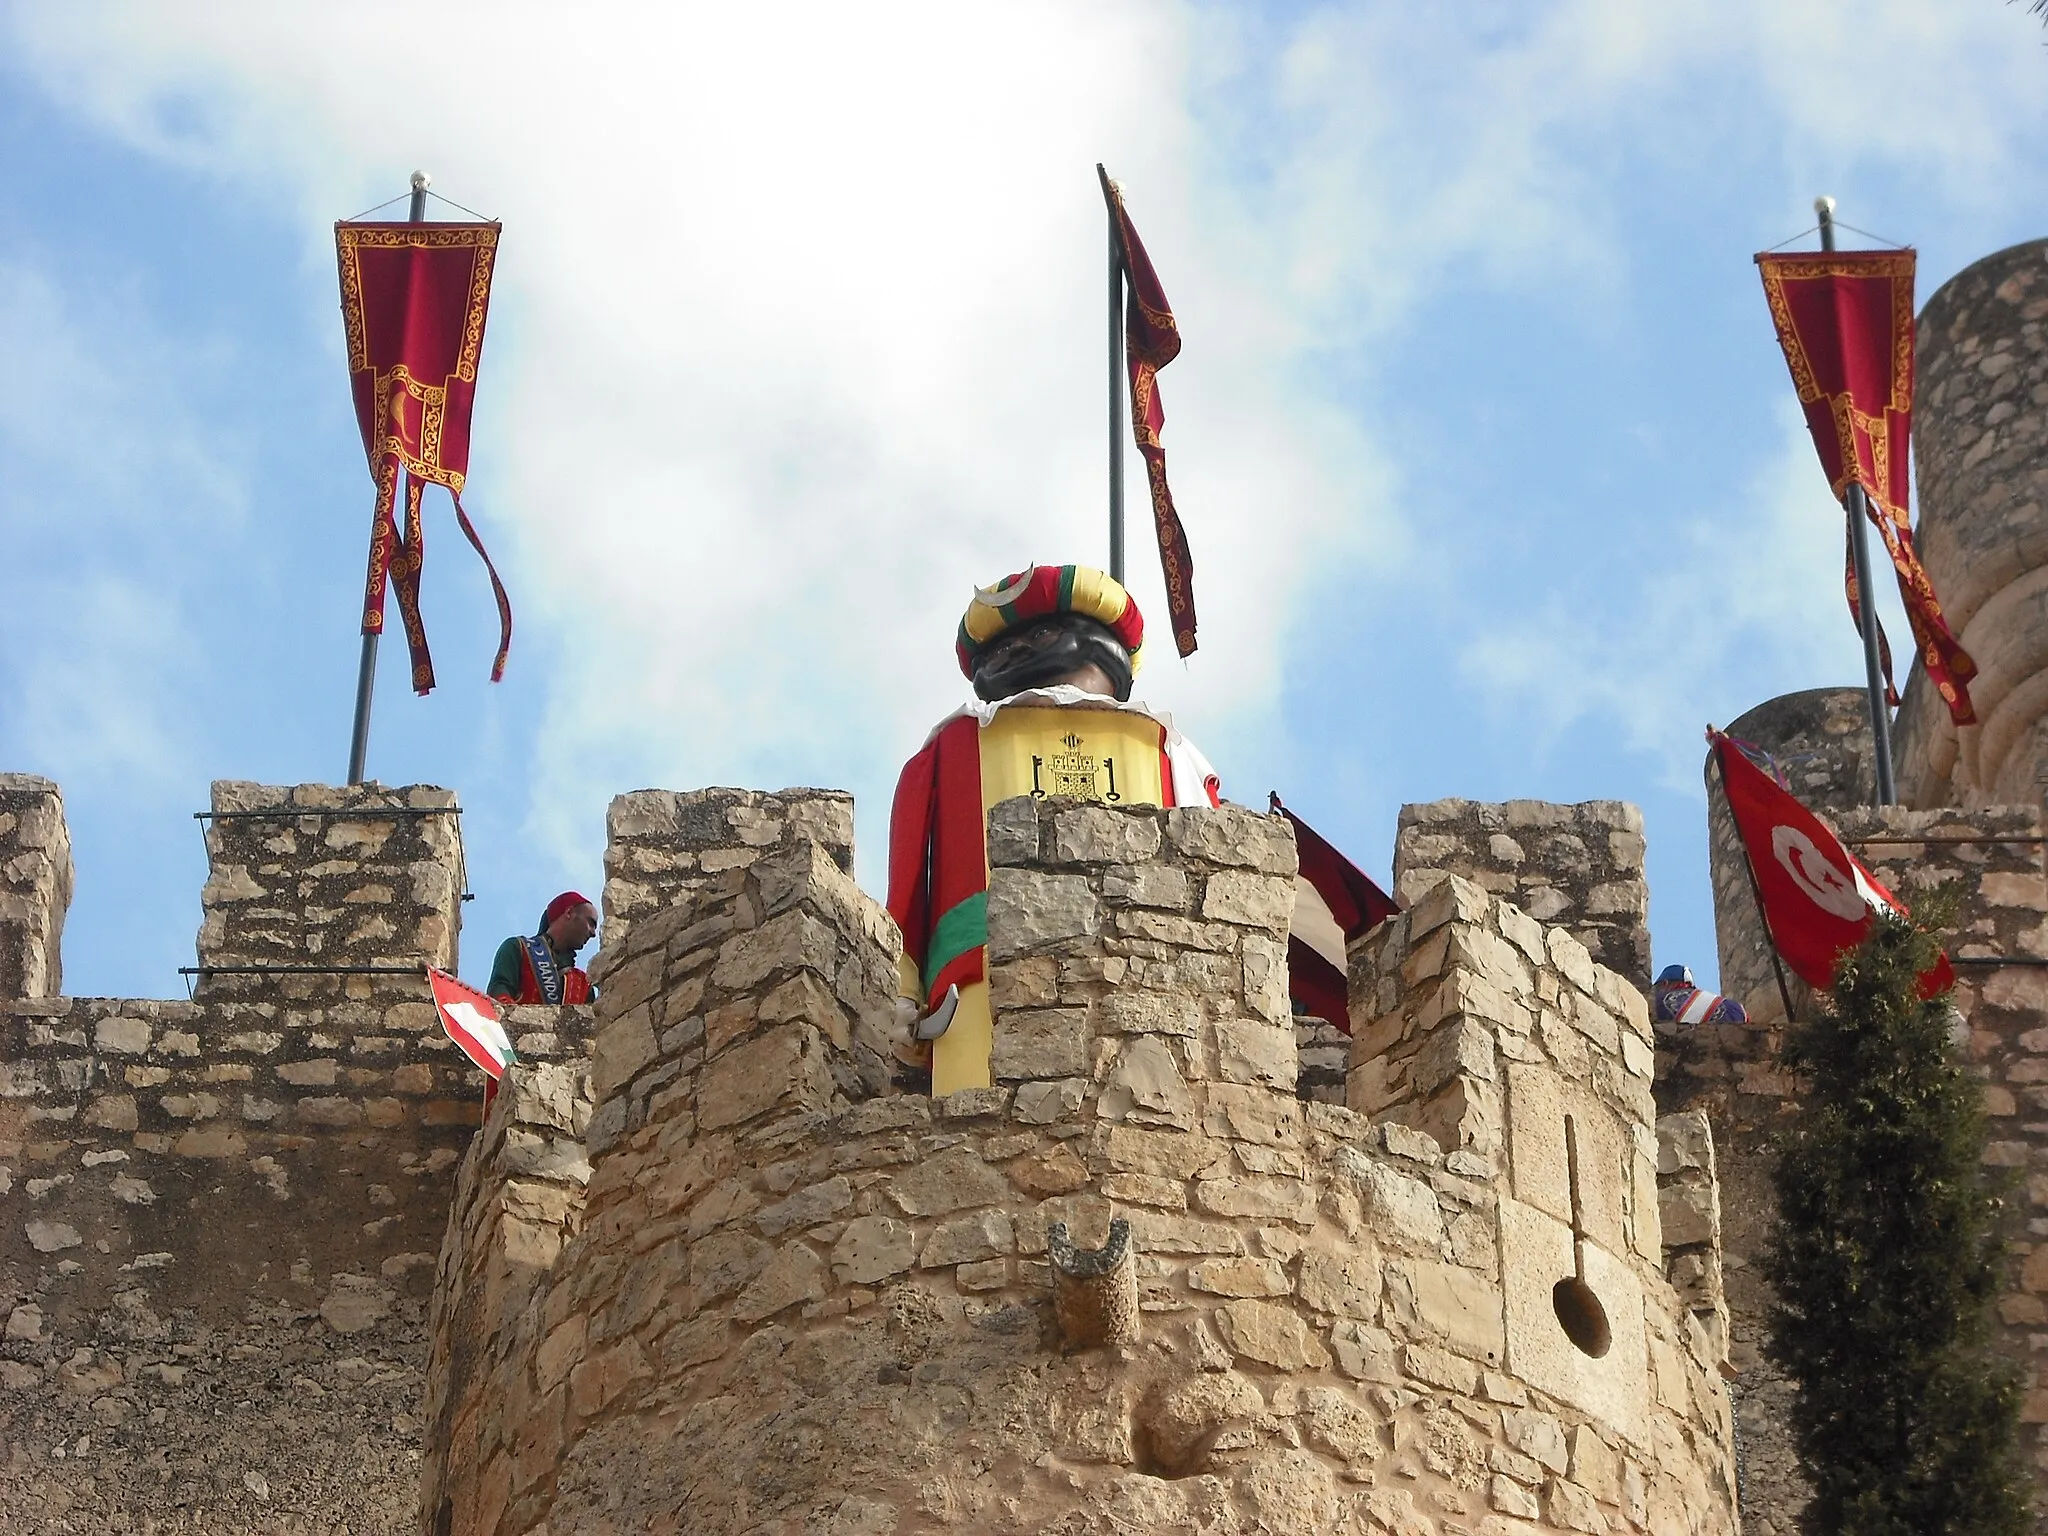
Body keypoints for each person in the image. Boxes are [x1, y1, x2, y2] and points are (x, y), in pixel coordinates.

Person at [887, 564, 1219, 1094]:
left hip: (1149, 958)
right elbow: (908, 876)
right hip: (978, 971)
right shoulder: (952, 747)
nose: (1015, 653)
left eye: (1042, 634)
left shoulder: (1167, 749)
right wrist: (903, 987)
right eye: (997, 651)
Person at [487, 891, 599, 1005]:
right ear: (569, 912)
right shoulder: (518, 948)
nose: (593, 933)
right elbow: (498, 994)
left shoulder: (584, 984)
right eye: (591, 923)